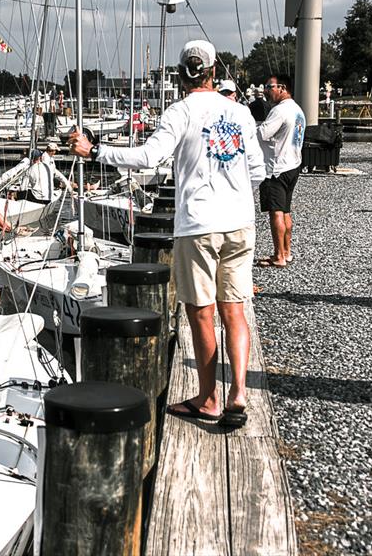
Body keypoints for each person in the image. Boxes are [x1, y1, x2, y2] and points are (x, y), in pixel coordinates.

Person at [69, 39, 266, 428]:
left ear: (181, 75)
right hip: (240, 222)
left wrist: (95, 153)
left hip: (198, 224)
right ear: (214, 71)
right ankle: (238, 393)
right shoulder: (241, 113)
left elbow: (148, 157)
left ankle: (210, 398)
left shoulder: (180, 111)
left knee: (202, 312)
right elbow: (257, 170)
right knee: (235, 309)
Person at [256, 74, 306, 268]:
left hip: (276, 168)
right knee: (285, 211)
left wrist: (249, 128)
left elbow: (262, 134)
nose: (267, 91)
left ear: (282, 88)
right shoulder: (297, 109)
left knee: (275, 212)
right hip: (293, 165)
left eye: (270, 87)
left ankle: (278, 256)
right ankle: (287, 251)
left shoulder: (280, 110)